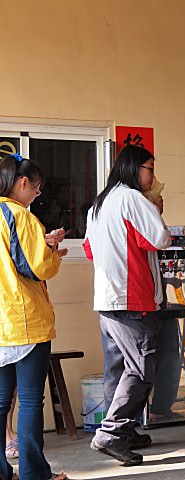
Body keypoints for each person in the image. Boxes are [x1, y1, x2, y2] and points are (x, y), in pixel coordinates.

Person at [83, 145, 171, 466]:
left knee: (117, 369)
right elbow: (158, 238)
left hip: (106, 298)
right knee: (142, 367)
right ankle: (111, 433)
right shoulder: (133, 199)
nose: (153, 175)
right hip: (131, 296)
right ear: (134, 168)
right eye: (150, 167)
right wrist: (156, 210)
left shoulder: (98, 204)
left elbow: (90, 250)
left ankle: (125, 429)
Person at [0, 153, 68, 480]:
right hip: (24, 320)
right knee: (28, 401)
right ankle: (34, 473)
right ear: (23, 183)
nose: (36, 196)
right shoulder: (21, 217)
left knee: (0, 403)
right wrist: (51, 248)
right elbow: (38, 267)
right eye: (37, 189)